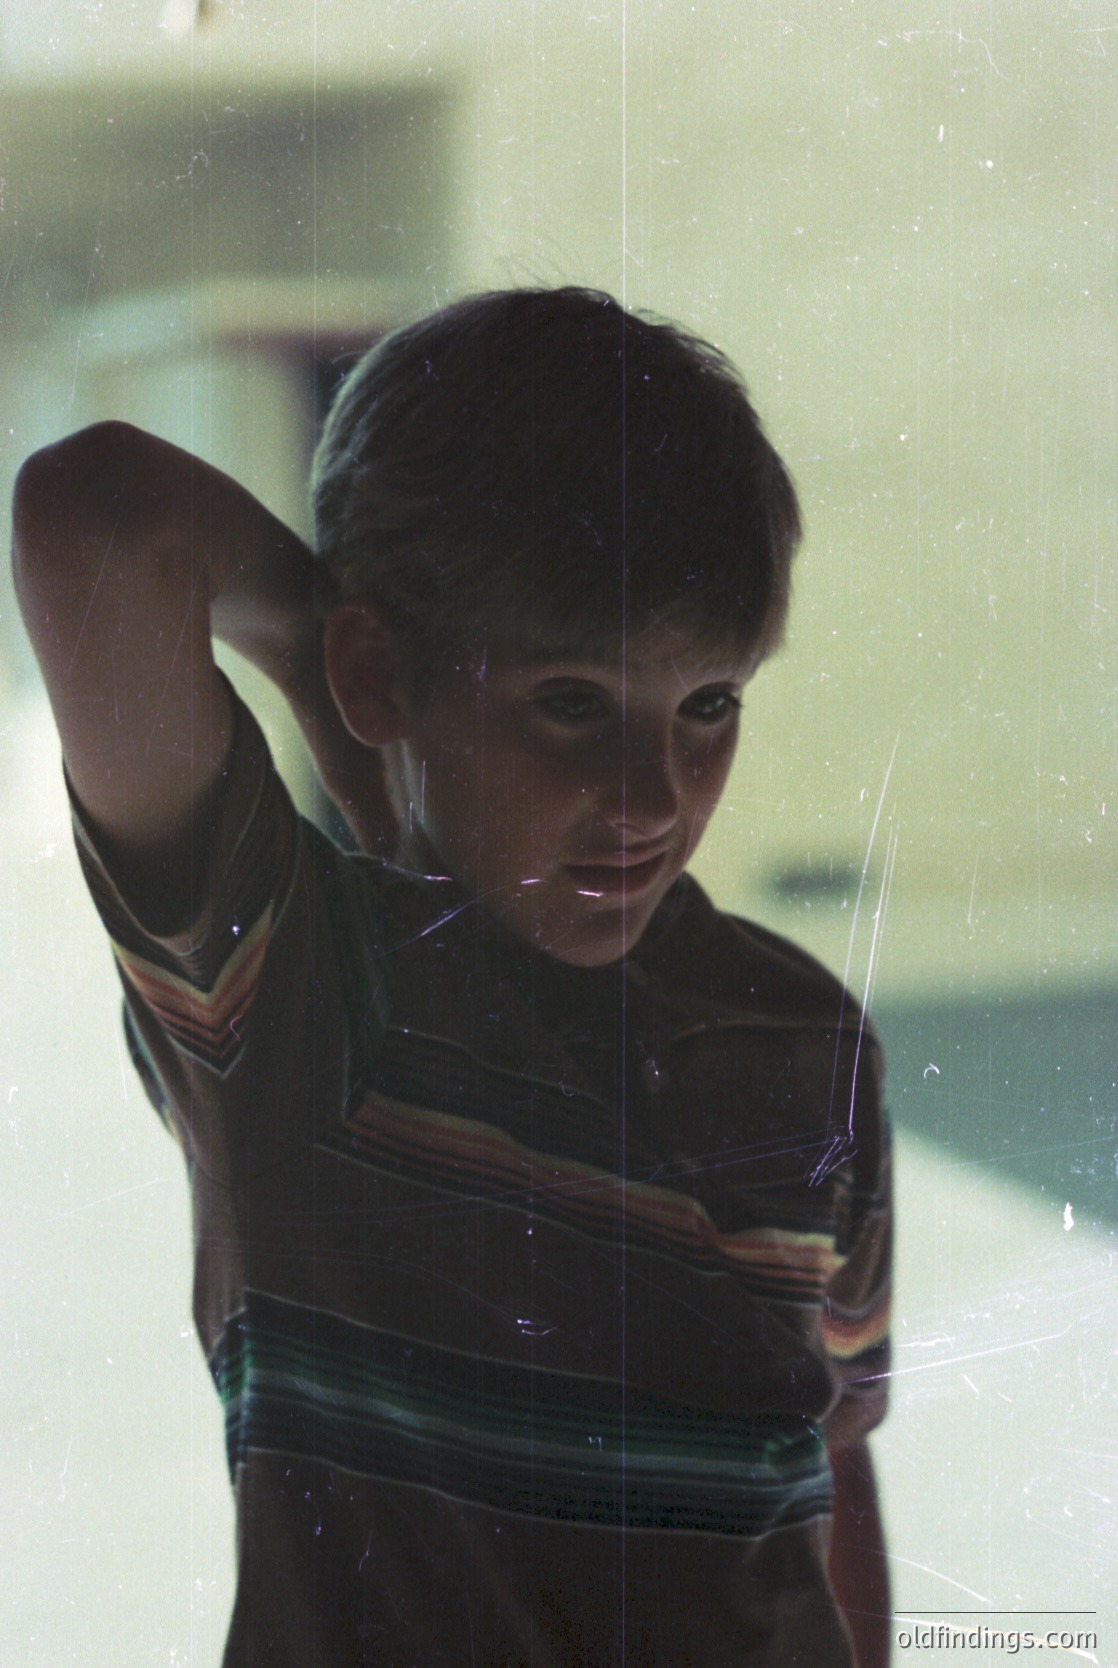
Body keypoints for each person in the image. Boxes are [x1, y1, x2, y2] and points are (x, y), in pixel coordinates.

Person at [12, 286, 891, 1666]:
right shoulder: (303, 992)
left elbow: (830, 1456)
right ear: (378, 668)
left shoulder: (803, 1035)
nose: (654, 796)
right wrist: (337, 693)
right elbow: (95, 515)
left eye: (708, 705)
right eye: (571, 702)